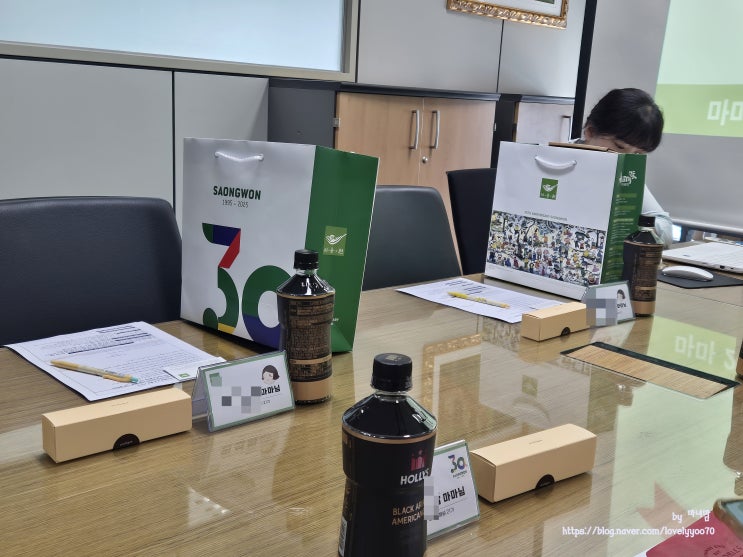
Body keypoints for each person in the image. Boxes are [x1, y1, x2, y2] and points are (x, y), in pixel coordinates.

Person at [580, 88, 674, 247]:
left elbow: (665, 230)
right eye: (619, 146)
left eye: (638, 153)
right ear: (590, 132)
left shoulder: (625, 175)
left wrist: (629, 221)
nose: (626, 160)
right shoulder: (554, 163)